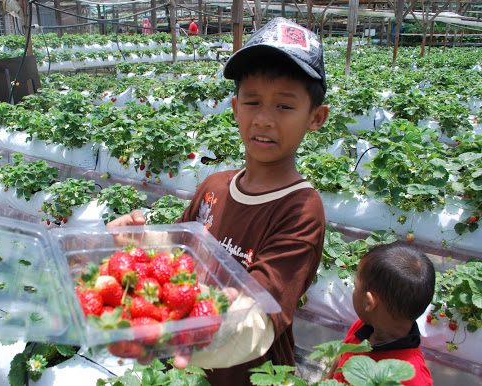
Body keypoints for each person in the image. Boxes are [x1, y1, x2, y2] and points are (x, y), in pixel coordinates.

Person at [108, 17, 329, 385]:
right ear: (234, 108)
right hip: (182, 368)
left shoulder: (301, 209)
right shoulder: (214, 186)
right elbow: (184, 252)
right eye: (252, 101)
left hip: (248, 373)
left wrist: (209, 330)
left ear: (316, 117)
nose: (263, 118)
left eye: (284, 106)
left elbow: (261, 317)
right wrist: (144, 242)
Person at [325, 243, 435, 385]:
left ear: (369, 302)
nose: (354, 289)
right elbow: (339, 362)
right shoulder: (361, 328)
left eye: (356, 285)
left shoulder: (413, 378)